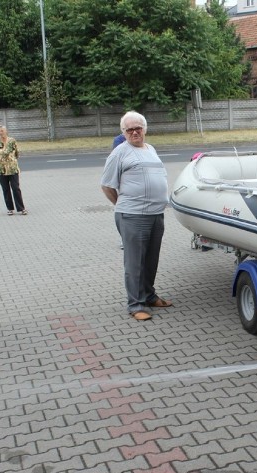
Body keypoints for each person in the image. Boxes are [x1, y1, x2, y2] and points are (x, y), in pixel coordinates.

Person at [101, 111, 172, 321]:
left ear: (145, 129)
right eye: (129, 129)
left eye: (137, 128)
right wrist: (123, 205)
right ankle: (136, 304)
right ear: (123, 132)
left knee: (151, 260)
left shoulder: (151, 149)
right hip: (132, 216)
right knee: (135, 263)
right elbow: (106, 185)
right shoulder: (119, 153)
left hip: (156, 214)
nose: (134, 132)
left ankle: (149, 296)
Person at [0, 125, 27, 216]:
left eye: (2, 131)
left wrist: (11, 161)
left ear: (6, 131)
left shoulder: (12, 141)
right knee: (6, 189)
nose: (0, 133)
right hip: (1, 169)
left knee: (16, 188)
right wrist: (1, 162)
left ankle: (21, 208)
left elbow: (17, 153)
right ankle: (10, 208)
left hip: (12, 168)